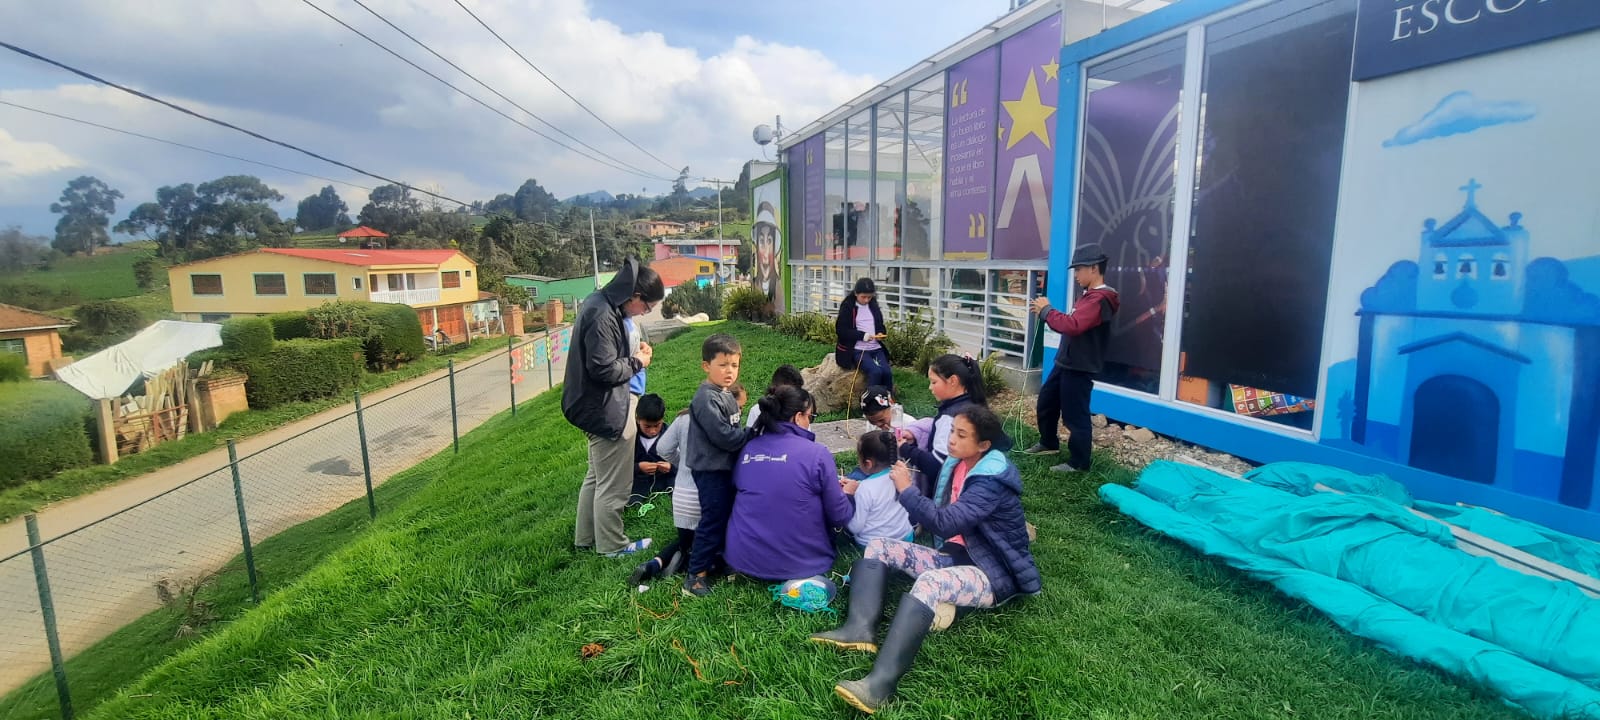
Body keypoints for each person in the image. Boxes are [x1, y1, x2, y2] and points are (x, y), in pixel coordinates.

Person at [811, 405, 1041, 713]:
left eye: (962, 435)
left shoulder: (990, 482)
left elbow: (945, 523)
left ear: (983, 445)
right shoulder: (960, 462)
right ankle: (859, 629)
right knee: (880, 545)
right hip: (957, 555)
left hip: (990, 571)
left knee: (930, 582)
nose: (952, 440)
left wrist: (905, 489)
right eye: (952, 431)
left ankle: (879, 686)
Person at [563, 257, 664, 558]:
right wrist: (639, 362)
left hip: (594, 406)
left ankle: (586, 540)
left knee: (596, 477)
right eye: (646, 308)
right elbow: (604, 370)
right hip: (607, 411)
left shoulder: (602, 303)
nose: (645, 313)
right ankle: (612, 546)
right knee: (614, 484)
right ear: (634, 296)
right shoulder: (602, 315)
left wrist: (635, 352)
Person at [724, 386, 854, 583]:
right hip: (802, 563)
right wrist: (849, 495)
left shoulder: (748, 449)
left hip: (743, 559)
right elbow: (839, 516)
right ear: (797, 417)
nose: (810, 422)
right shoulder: (817, 454)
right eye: (811, 417)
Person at [629, 385, 747, 588]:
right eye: (740, 407)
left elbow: (663, 448)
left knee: (688, 541)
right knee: (718, 540)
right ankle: (699, 569)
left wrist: (681, 462)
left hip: (680, 496)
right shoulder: (722, 426)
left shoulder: (684, 418)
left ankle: (656, 563)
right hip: (705, 496)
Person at [1022, 243, 1121, 474]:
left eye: (1079, 269)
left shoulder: (1101, 299)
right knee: (1046, 402)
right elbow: (1073, 324)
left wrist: (1047, 311)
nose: (1076, 275)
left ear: (1094, 269)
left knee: (1075, 416)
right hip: (1066, 362)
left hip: (1080, 367)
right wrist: (1049, 314)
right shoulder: (1089, 297)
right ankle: (1049, 443)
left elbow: (1073, 325)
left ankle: (1079, 462)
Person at [683, 334, 754, 597]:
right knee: (712, 519)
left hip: (724, 468)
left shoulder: (725, 394)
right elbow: (724, 436)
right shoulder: (705, 398)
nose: (729, 371)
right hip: (710, 470)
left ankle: (720, 560)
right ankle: (695, 575)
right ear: (706, 366)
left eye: (734, 365)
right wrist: (751, 433)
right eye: (723, 365)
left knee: (726, 515)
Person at [898, 354, 1011, 494]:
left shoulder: (952, 418)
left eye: (933, 382)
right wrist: (916, 434)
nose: (930, 387)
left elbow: (936, 466)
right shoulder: (972, 403)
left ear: (953, 380)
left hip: (950, 491)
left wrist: (905, 448)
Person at [839, 430, 914, 547]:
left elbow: (855, 527)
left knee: (842, 527)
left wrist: (846, 496)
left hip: (874, 545)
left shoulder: (866, 489)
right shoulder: (903, 475)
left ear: (868, 463)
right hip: (905, 537)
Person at [835, 278, 893, 392]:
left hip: (875, 348)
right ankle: (870, 403)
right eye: (863, 297)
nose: (867, 300)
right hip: (858, 350)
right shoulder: (848, 306)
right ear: (856, 293)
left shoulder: (873, 305)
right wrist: (862, 335)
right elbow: (841, 330)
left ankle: (887, 399)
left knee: (886, 372)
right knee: (875, 371)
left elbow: (879, 324)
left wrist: (881, 332)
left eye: (869, 297)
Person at [629, 394, 675, 506]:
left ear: (662, 419)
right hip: (637, 478)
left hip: (664, 476)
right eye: (647, 426)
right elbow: (619, 464)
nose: (653, 431)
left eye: (657, 425)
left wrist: (671, 467)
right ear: (638, 419)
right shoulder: (630, 436)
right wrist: (638, 467)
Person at [752, 200, 782, 301]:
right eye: (761, 241)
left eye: (769, 241)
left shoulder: (778, 285)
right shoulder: (755, 283)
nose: (765, 247)